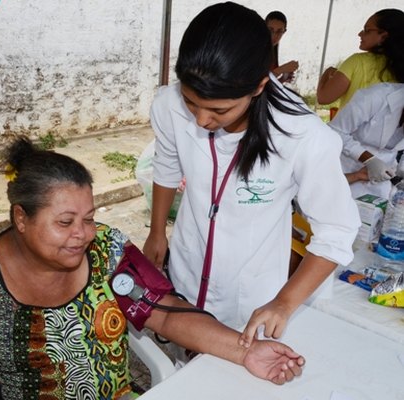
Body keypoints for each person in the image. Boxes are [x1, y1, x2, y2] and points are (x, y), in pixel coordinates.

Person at [0, 137, 305, 400]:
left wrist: (246, 351)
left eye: (89, 217)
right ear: (21, 218)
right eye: (65, 223)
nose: (82, 235)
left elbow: (164, 313)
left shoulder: (106, 249)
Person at [142, 1, 360, 354]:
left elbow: (336, 230)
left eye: (219, 110)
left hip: (250, 298)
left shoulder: (300, 134)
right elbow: (167, 163)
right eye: (191, 102)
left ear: (258, 86)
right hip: (185, 270)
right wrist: (156, 232)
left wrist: (284, 303)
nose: (200, 121)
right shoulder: (168, 105)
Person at [329, 82, 404, 199]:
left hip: (380, 181)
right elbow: (334, 131)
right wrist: (369, 159)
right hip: (343, 169)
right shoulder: (377, 96)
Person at [317, 9, 404, 110]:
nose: (360, 34)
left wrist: (326, 74)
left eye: (367, 30)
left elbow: (323, 98)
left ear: (383, 37)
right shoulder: (399, 67)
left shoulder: (357, 62)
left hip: (350, 125)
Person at [265, 11, 298, 83]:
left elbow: (266, 86)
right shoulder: (255, 50)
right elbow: (255, 85)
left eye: (279, 31)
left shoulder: (272, 51)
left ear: (284, 31)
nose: (274, 35)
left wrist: (282, 79)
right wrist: (281, 69)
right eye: (270, 30)